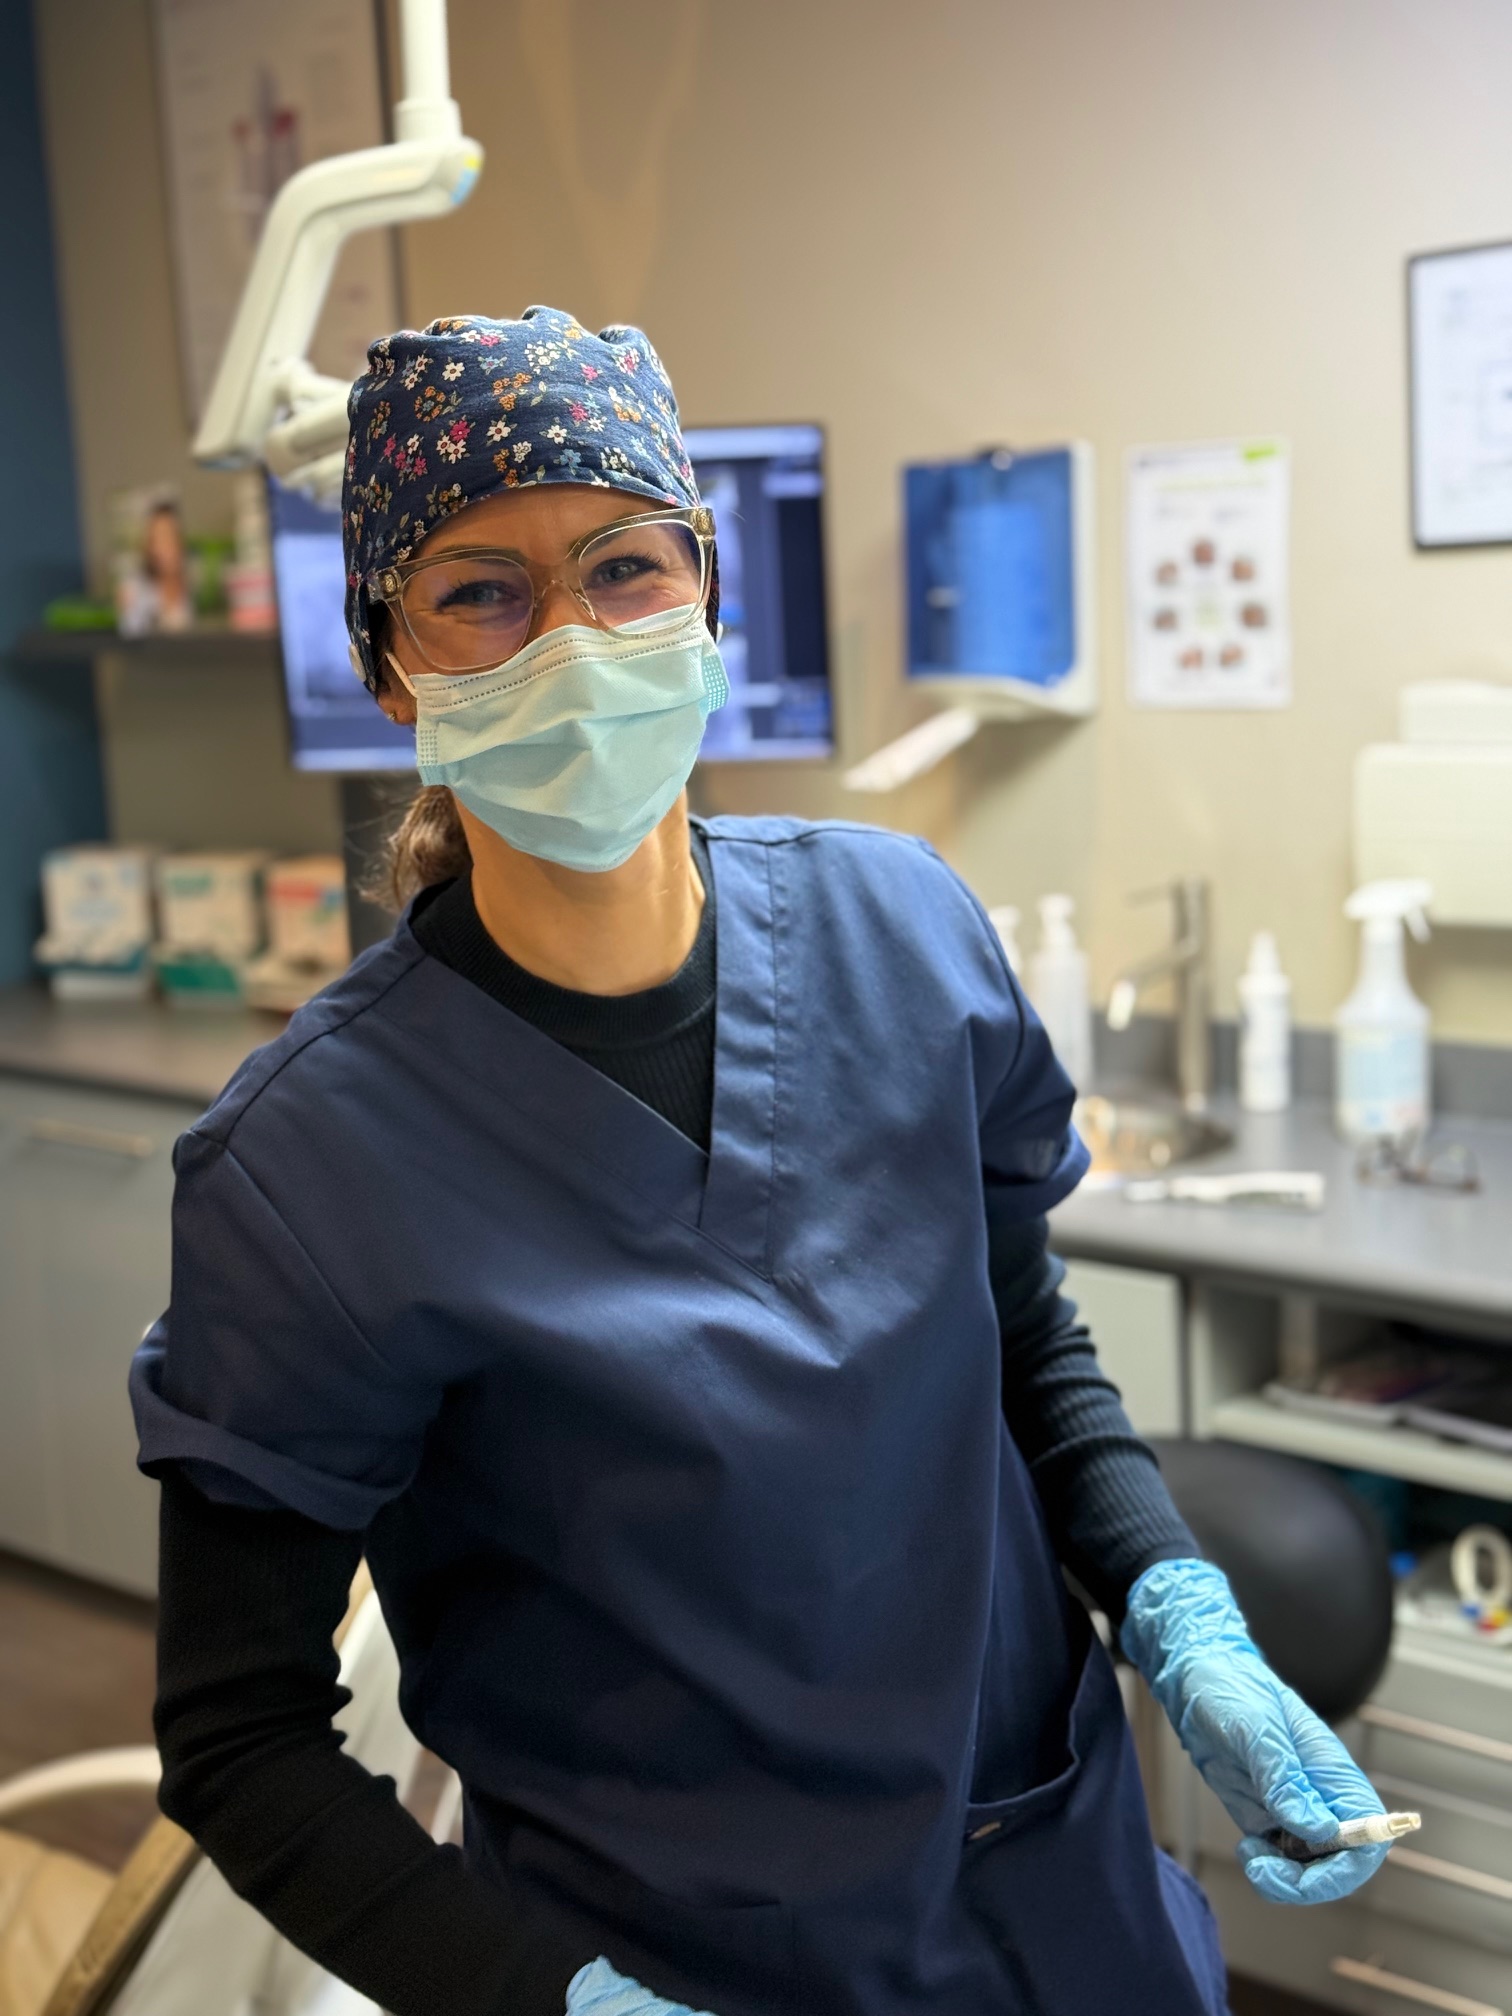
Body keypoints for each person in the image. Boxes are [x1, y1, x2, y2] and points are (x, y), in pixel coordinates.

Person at [132, 307, 1390, 2016]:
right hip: (680, 1960)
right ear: (389, 667)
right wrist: (549, 2002)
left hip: (1063, 1889)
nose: (573, 642)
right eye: (482, 592)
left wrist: (1178, 1608)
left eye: (625, 569)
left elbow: (1024, 1343)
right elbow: (239, 1738)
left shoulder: (905, 928)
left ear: (708, 597)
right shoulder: (309, 1170)